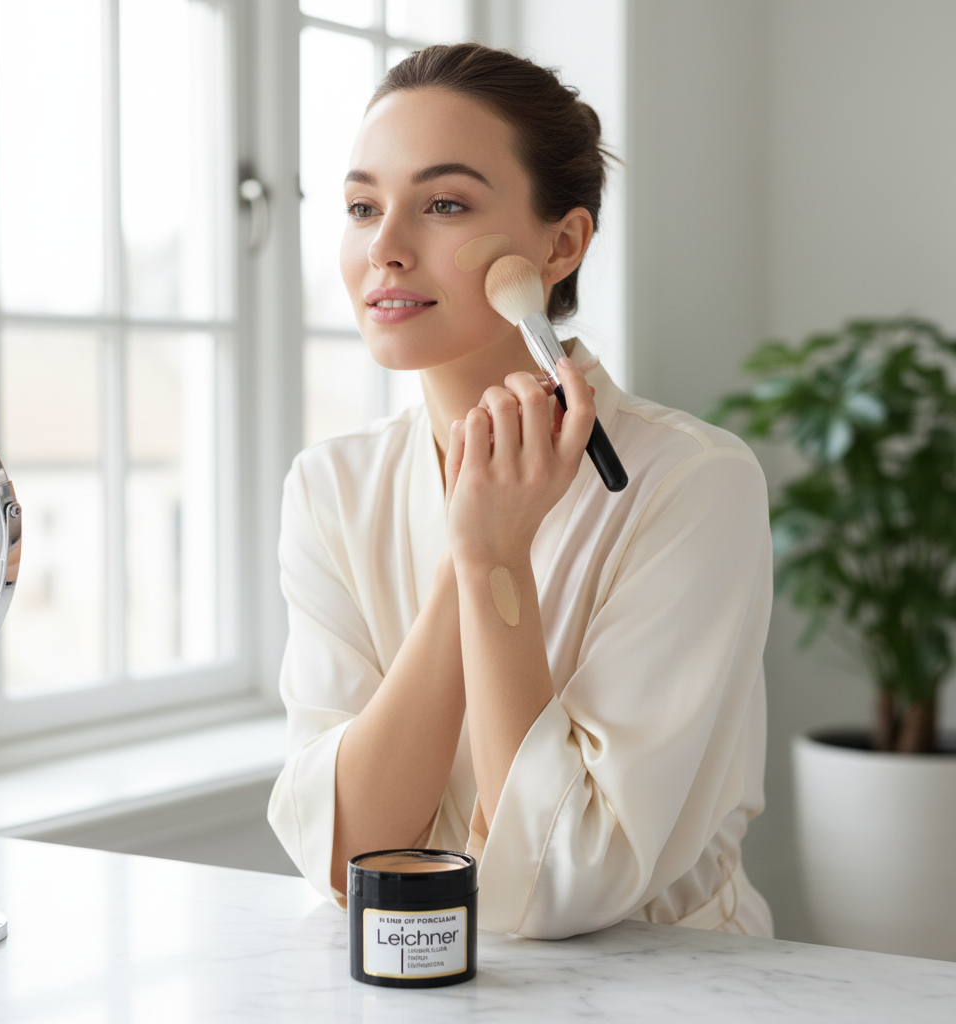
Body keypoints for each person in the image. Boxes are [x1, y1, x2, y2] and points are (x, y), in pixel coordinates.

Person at [268, 43, 774, 940]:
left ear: (561, 244)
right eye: (360, 207)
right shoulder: (329, 489)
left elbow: (565, 885)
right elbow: (348, 854)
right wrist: (472, 558)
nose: (383, 248)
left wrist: (495, 556)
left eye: (445, 205)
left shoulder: (694, 486)